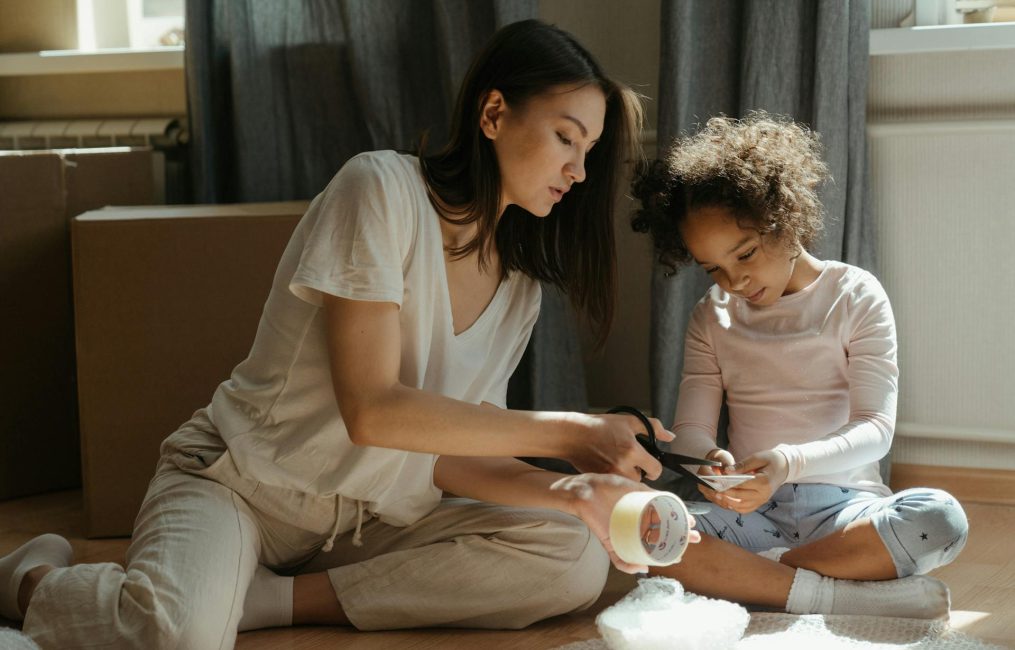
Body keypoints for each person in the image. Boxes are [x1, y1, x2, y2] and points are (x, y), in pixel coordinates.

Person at [0, 19, 686, 648]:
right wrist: (570, 433)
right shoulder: (379, 189)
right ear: (493, 113)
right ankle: (32, 579)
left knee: (573, 555)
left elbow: (445, 456)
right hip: (243, 487)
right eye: (566, 137)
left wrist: (573, 492)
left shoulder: (518, 289)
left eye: (588, 150)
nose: (578, 171)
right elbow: (372, 410)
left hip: (370, 518)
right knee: (172, 637)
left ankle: (264, 601)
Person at [631, 112, 969, 618]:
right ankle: (840, 593)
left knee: (939, 519)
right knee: (644, 529)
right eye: (714, 268)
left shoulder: (854, 295)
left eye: (746, 254)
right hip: (751, 516)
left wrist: (787, 463)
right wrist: (710, 463)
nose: (735, 282)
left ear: (785, 219)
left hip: (846, 512)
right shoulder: (711, 315)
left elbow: (876, 429)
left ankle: (764, 577)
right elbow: (691, 434)